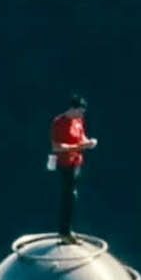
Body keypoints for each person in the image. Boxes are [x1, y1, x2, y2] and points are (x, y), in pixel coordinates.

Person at [48, 95, 98, 236]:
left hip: (76, 162)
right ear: (73, 109)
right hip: (65, 163)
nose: (81, 115)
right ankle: (64, 231)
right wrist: (76, 147)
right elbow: (56, 147)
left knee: (72, 196)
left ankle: (68, 229)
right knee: (68, 196)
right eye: (80, 111)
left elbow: (81, 137)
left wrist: (88, 142)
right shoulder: (59, 122)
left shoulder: (78, 120)